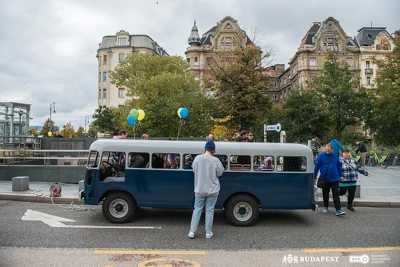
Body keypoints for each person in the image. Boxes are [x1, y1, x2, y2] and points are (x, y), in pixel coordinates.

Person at [188, 139, 224, 239]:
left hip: (199, 189)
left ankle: (192, 232)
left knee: (197, 210)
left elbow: (194, 169)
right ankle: (208, 233)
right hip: (213, 190)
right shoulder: (216, 160)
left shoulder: (197, 158)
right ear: (214, 150)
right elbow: (220, 173)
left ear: (205, 149)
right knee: (209, 210)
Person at [314, 143, 346, 216]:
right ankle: (325, 206)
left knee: (336, 194)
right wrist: (314, 177)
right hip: (325, 179)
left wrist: (340, 175)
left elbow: (338, 166)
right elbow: (317, 167)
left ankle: (338, 209)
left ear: (332, 149)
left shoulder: (335, 156)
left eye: (328, 150)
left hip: (335, 178)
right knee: (325, 193)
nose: (327, 151)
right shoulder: (321, 156)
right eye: (326, 149)